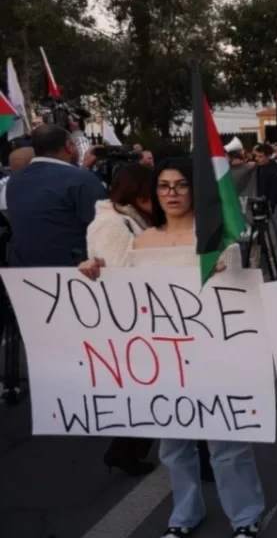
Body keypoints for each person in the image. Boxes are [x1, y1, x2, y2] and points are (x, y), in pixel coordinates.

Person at [80, 159, 266, 538]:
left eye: (181, 185)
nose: (172, 193)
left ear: (194, 191)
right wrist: (94, 272)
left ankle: (245, 516)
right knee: (174, 447)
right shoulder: (140, 243)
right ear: (153, 193)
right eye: (164, 186)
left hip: (213, 356)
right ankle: (184, 515)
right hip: (163, 360)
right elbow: (124, 304)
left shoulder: (217, 239)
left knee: (227, 446)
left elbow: (239, 299)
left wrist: (223, 272)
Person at [83, 162, 156, 477]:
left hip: (140, 317)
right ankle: (124, 451)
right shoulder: (113, 225)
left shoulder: (127, 219)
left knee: (150, 391)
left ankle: (124, 450)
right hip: (132, 319)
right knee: (148, 391)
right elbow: (123, 275)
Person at [6, 124, 107, 267]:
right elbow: (104, 230)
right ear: (68, 146)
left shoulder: (14, 180)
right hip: (72, 275)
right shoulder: (82, 180)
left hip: (24, 274)